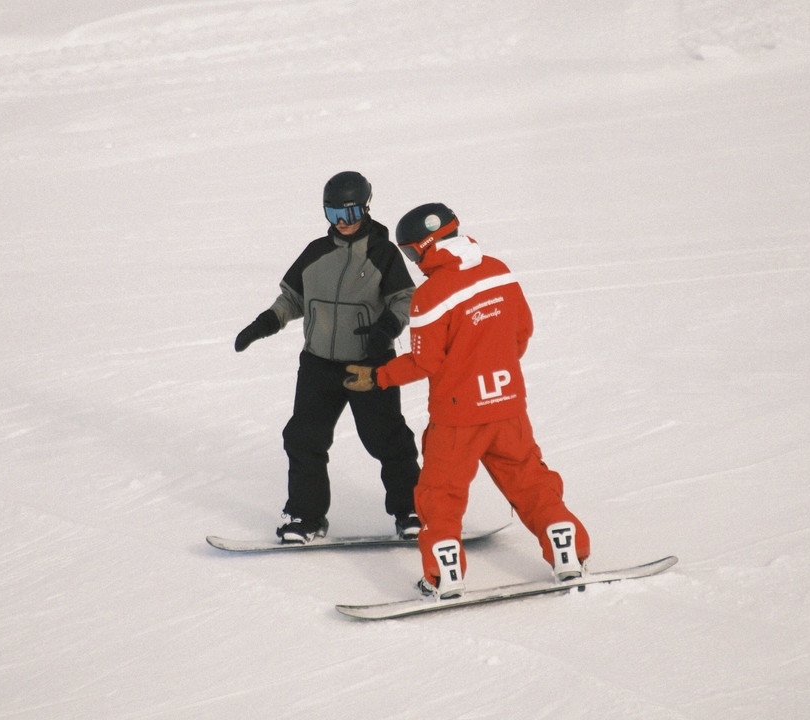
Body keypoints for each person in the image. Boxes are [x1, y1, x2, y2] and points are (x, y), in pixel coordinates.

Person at [343, 202, 590, 598]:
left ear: (425, 247)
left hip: (457, 419)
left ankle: (444, 576)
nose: (412, 261)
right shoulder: (499, 271)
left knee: (440, 494)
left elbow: (425, 360)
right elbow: (521, 332)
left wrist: (378, 376)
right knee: (529, 479)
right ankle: (567, 546)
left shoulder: (431, 295)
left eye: (410, 252)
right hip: (508, 405)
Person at [234, 171, 421, 544]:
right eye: (334, 215)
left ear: (366, 209)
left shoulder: (384, 253)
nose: (343, 224)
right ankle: (305, 516)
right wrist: (266, 322)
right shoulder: (316, 252)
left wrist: (385, 329)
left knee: (386, 439)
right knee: (304, 438)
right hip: (318, 363)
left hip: (368, 363)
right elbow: (293, 298)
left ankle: (412, 509)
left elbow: (405, 300)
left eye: (350, 215)